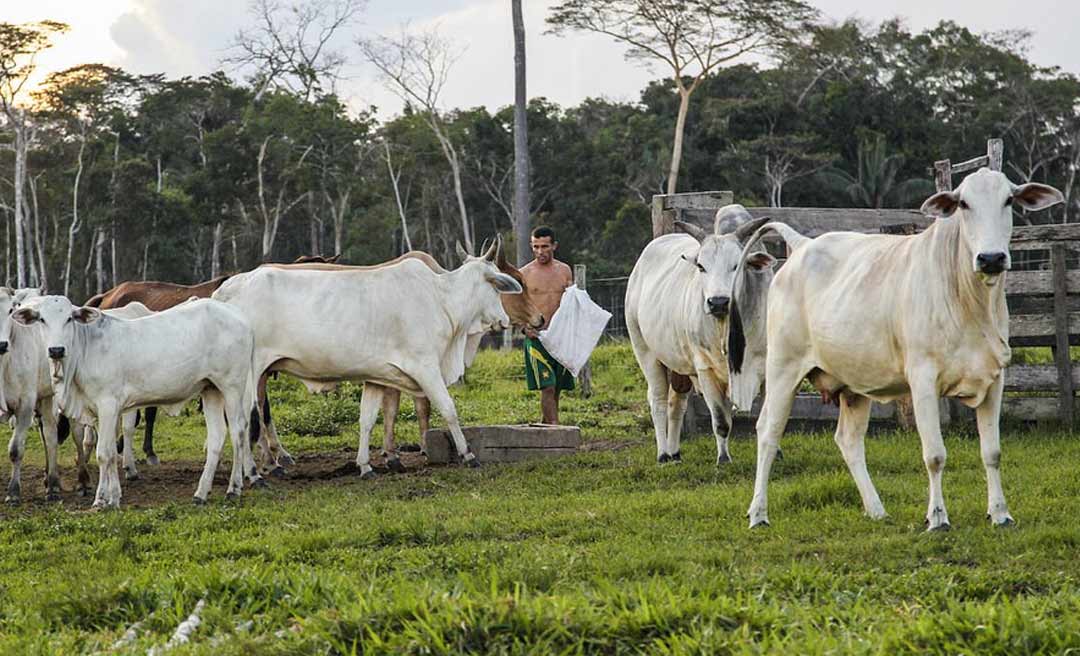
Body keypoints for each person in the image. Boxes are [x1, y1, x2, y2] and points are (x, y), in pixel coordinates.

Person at [520, 226, 575, 424]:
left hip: (560, 338)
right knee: (548, 386)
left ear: (554, 246)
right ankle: (555, 429)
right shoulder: (524, 273)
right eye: (536, 247)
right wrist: (524, 328)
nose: (540, 251)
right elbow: (515, 305)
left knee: (557, 387)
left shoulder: (564, 270)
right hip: (537, 338)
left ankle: (546, 424)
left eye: (544, 246)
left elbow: (572, 301)